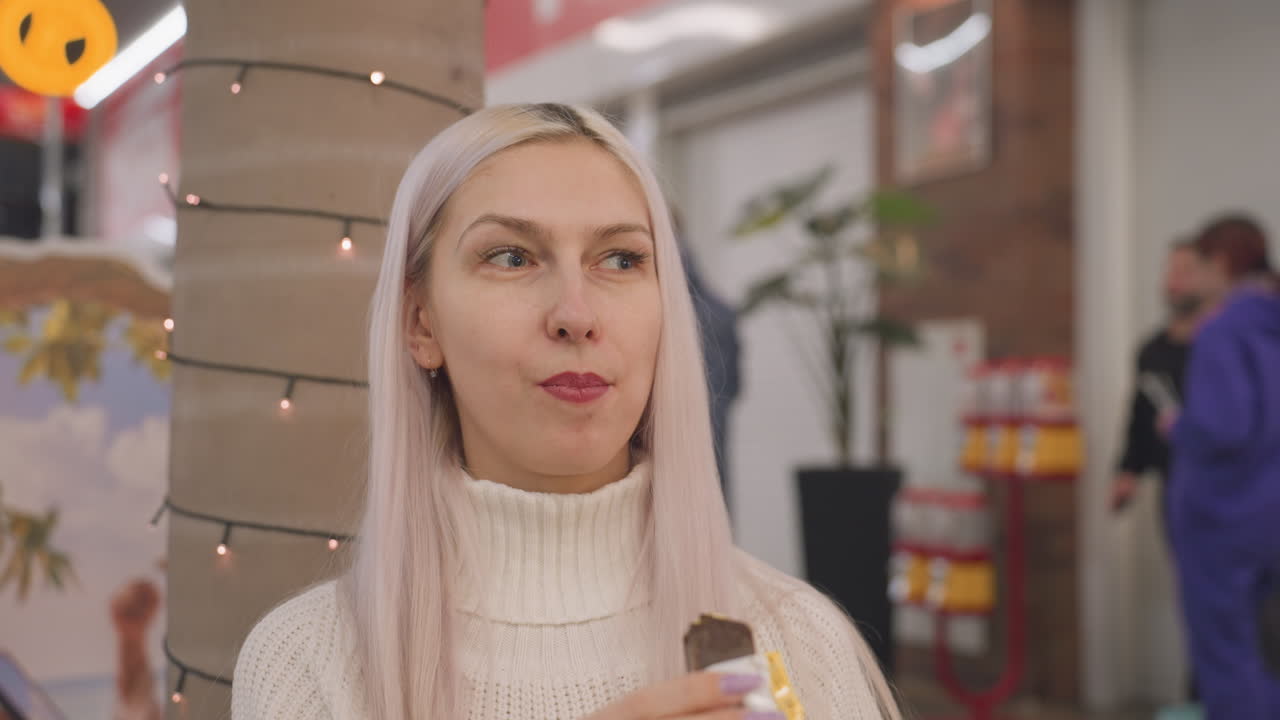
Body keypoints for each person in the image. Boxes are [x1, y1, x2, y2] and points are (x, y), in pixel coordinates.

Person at [231, 104, 898, 720]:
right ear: (420, 321)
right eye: (511, 257)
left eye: (620, 259)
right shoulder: (307, 666)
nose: (576, 315)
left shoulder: (796, 641)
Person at [1169, 214, 1280, 719]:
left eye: (1196, 266)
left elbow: (1224, 428)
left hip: (1223, 521)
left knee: (1227, 656)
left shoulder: (1222, 333)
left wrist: (1178, 425)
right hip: (1270, 513)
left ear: (1220, 264)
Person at [1111, 240, 1202, 514]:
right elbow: (1142, 413)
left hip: (1224, 483)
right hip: (1174, 482)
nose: (1174, 280)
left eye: (1186, 271)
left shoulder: (1223, 350)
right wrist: (1128, 471)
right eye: (1171, 270)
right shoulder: (1152, 351)